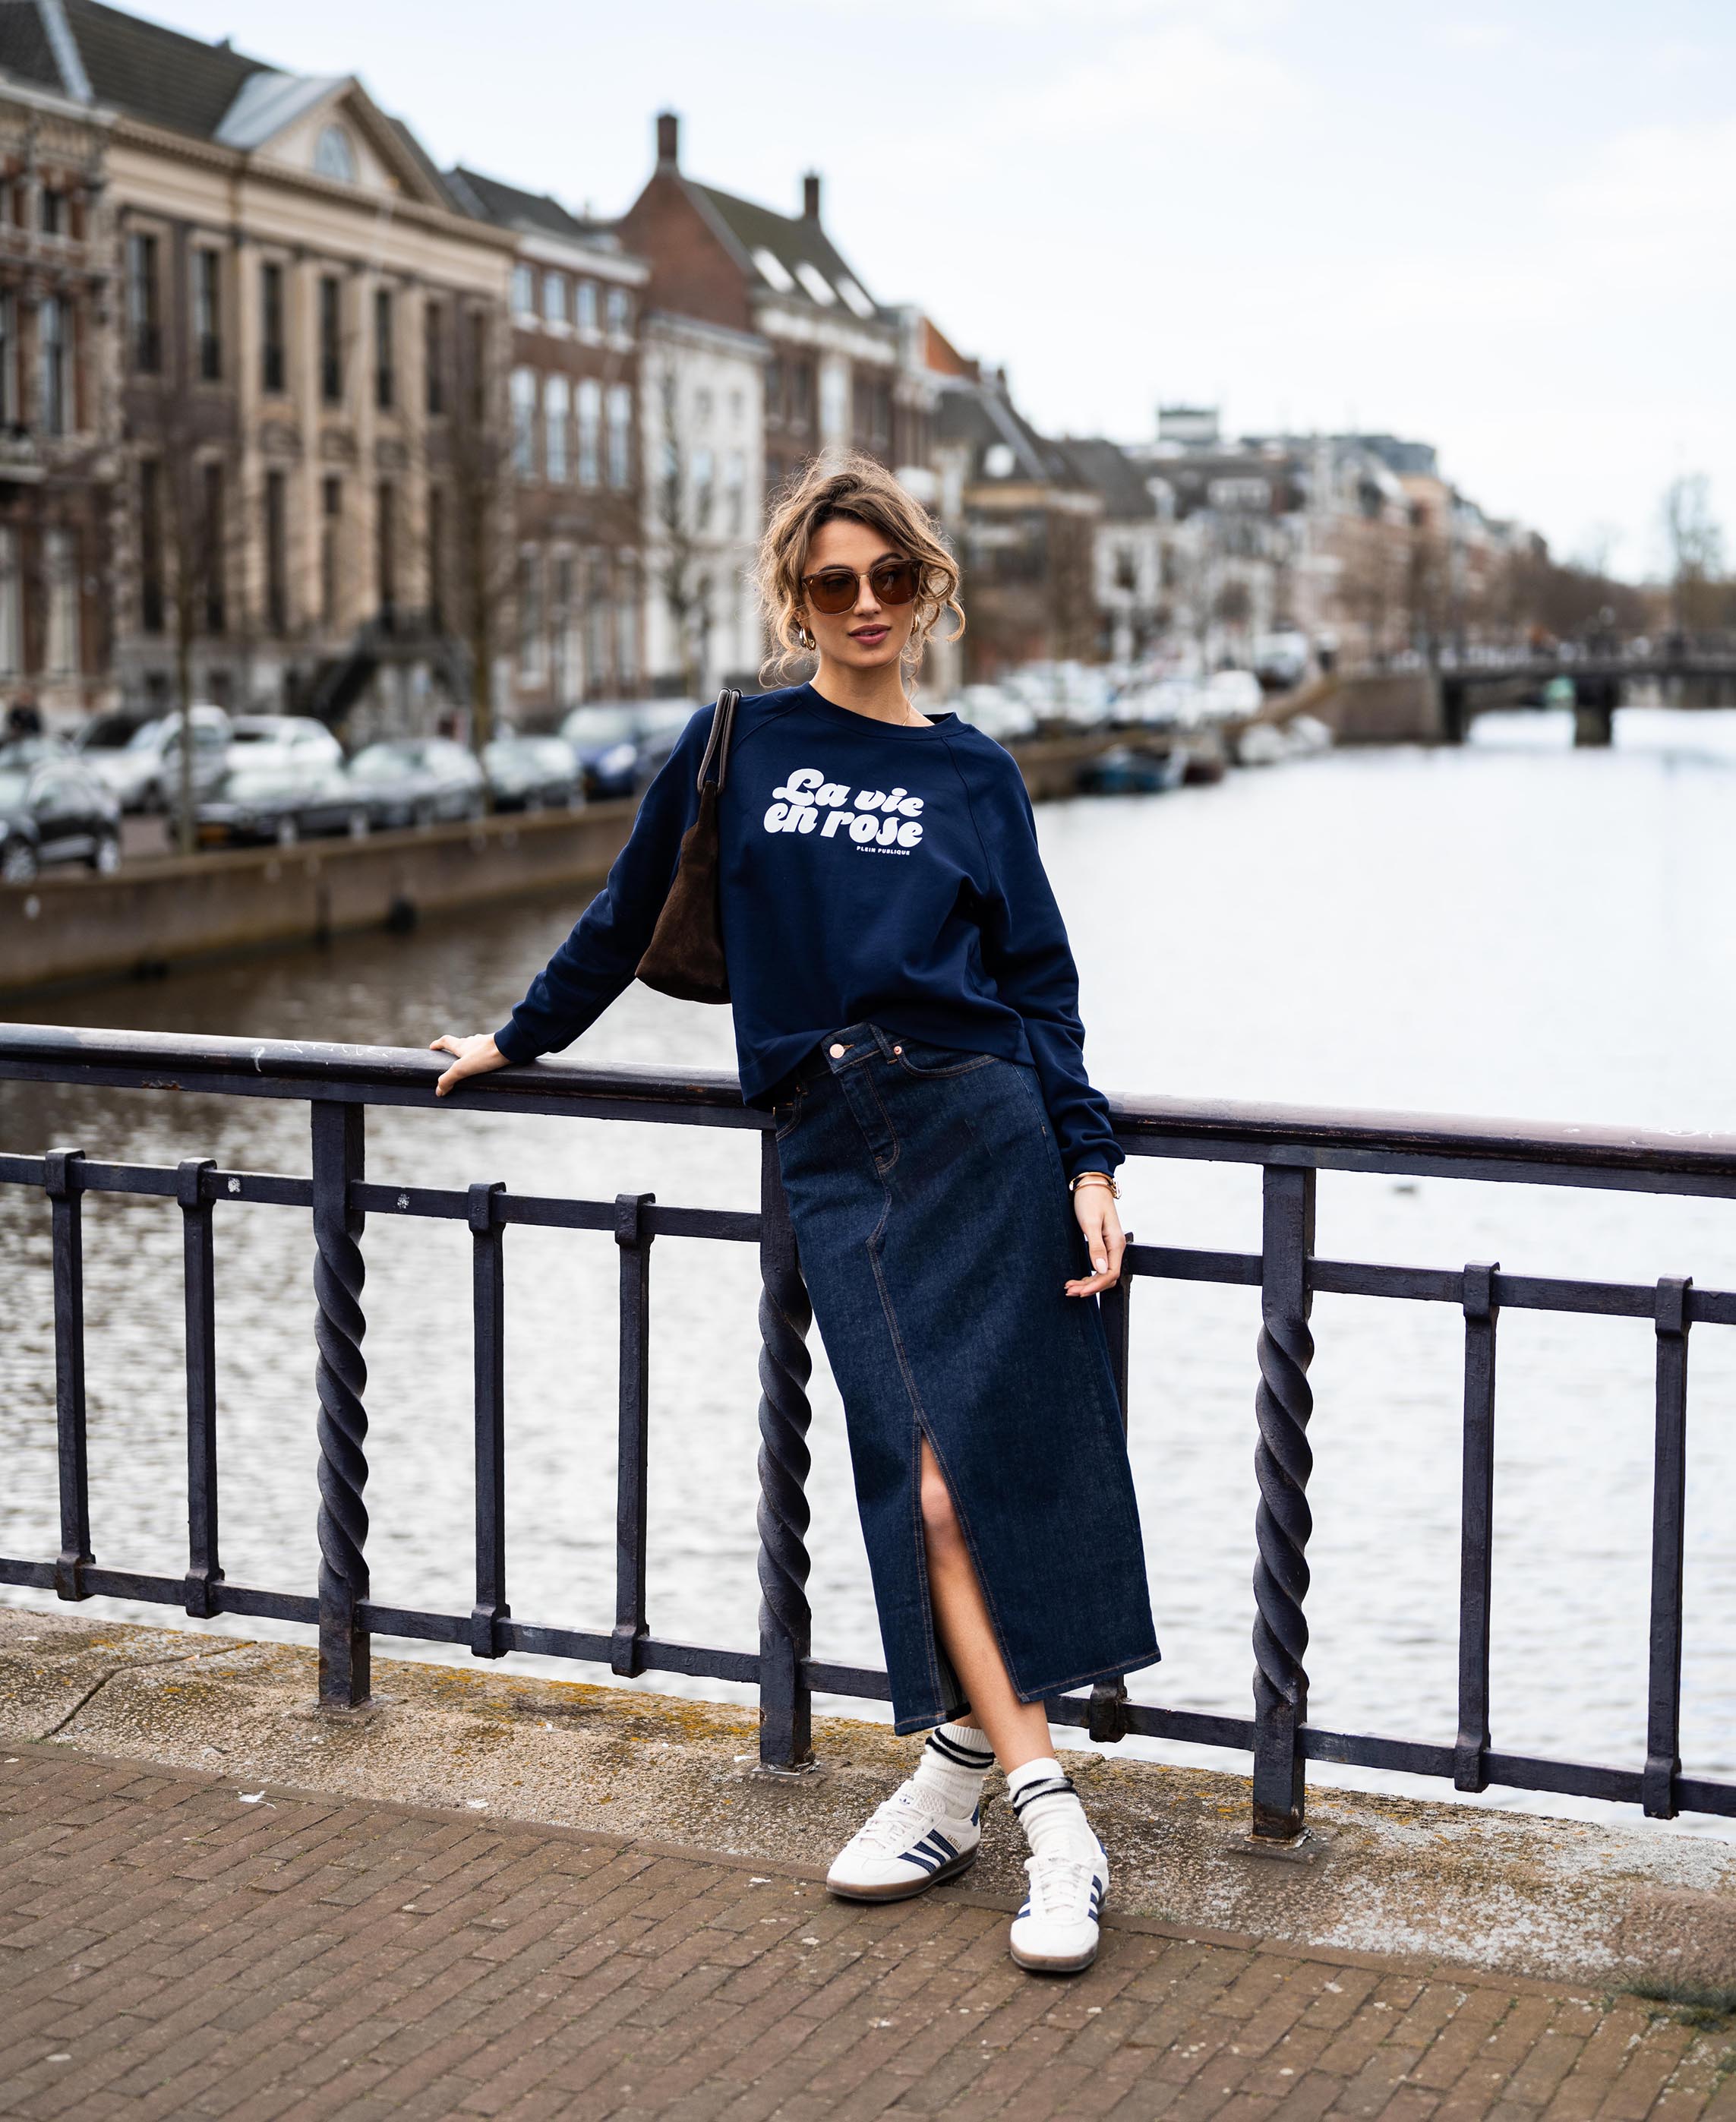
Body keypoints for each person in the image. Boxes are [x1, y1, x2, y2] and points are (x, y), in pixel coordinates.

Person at [430, 453, 1159, 1975]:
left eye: (893, 579)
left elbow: (1043, 986)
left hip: (983, 1118)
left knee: (982, 1478)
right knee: (920, 1470)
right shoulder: (741, 742)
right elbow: (625, 916)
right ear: (795, 598)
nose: (869, 606)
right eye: (836, 584)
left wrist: (1089, 1162)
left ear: (929, 586)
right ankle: (981, 1783)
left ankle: (1028, 1804)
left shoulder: (979, 774)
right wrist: (517, 1036)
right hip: (837, 1135)